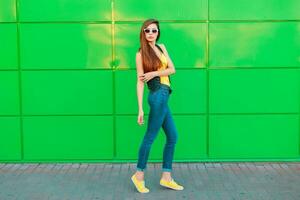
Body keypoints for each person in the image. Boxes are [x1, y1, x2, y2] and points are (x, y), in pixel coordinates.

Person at [130, 18, 184, 193]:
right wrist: (140, 109)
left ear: (158, 32)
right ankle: (138, 176)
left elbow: (172, 69)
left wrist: (153, 72)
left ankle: (166, 177)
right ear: (143, 33)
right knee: (150, 136)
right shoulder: (140, 54)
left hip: (164, 94)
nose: (151, 33)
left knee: (173, 136)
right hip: (157, 95)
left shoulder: (162, 48)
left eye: (154, 30)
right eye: (147, 30)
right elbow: (140, 82)